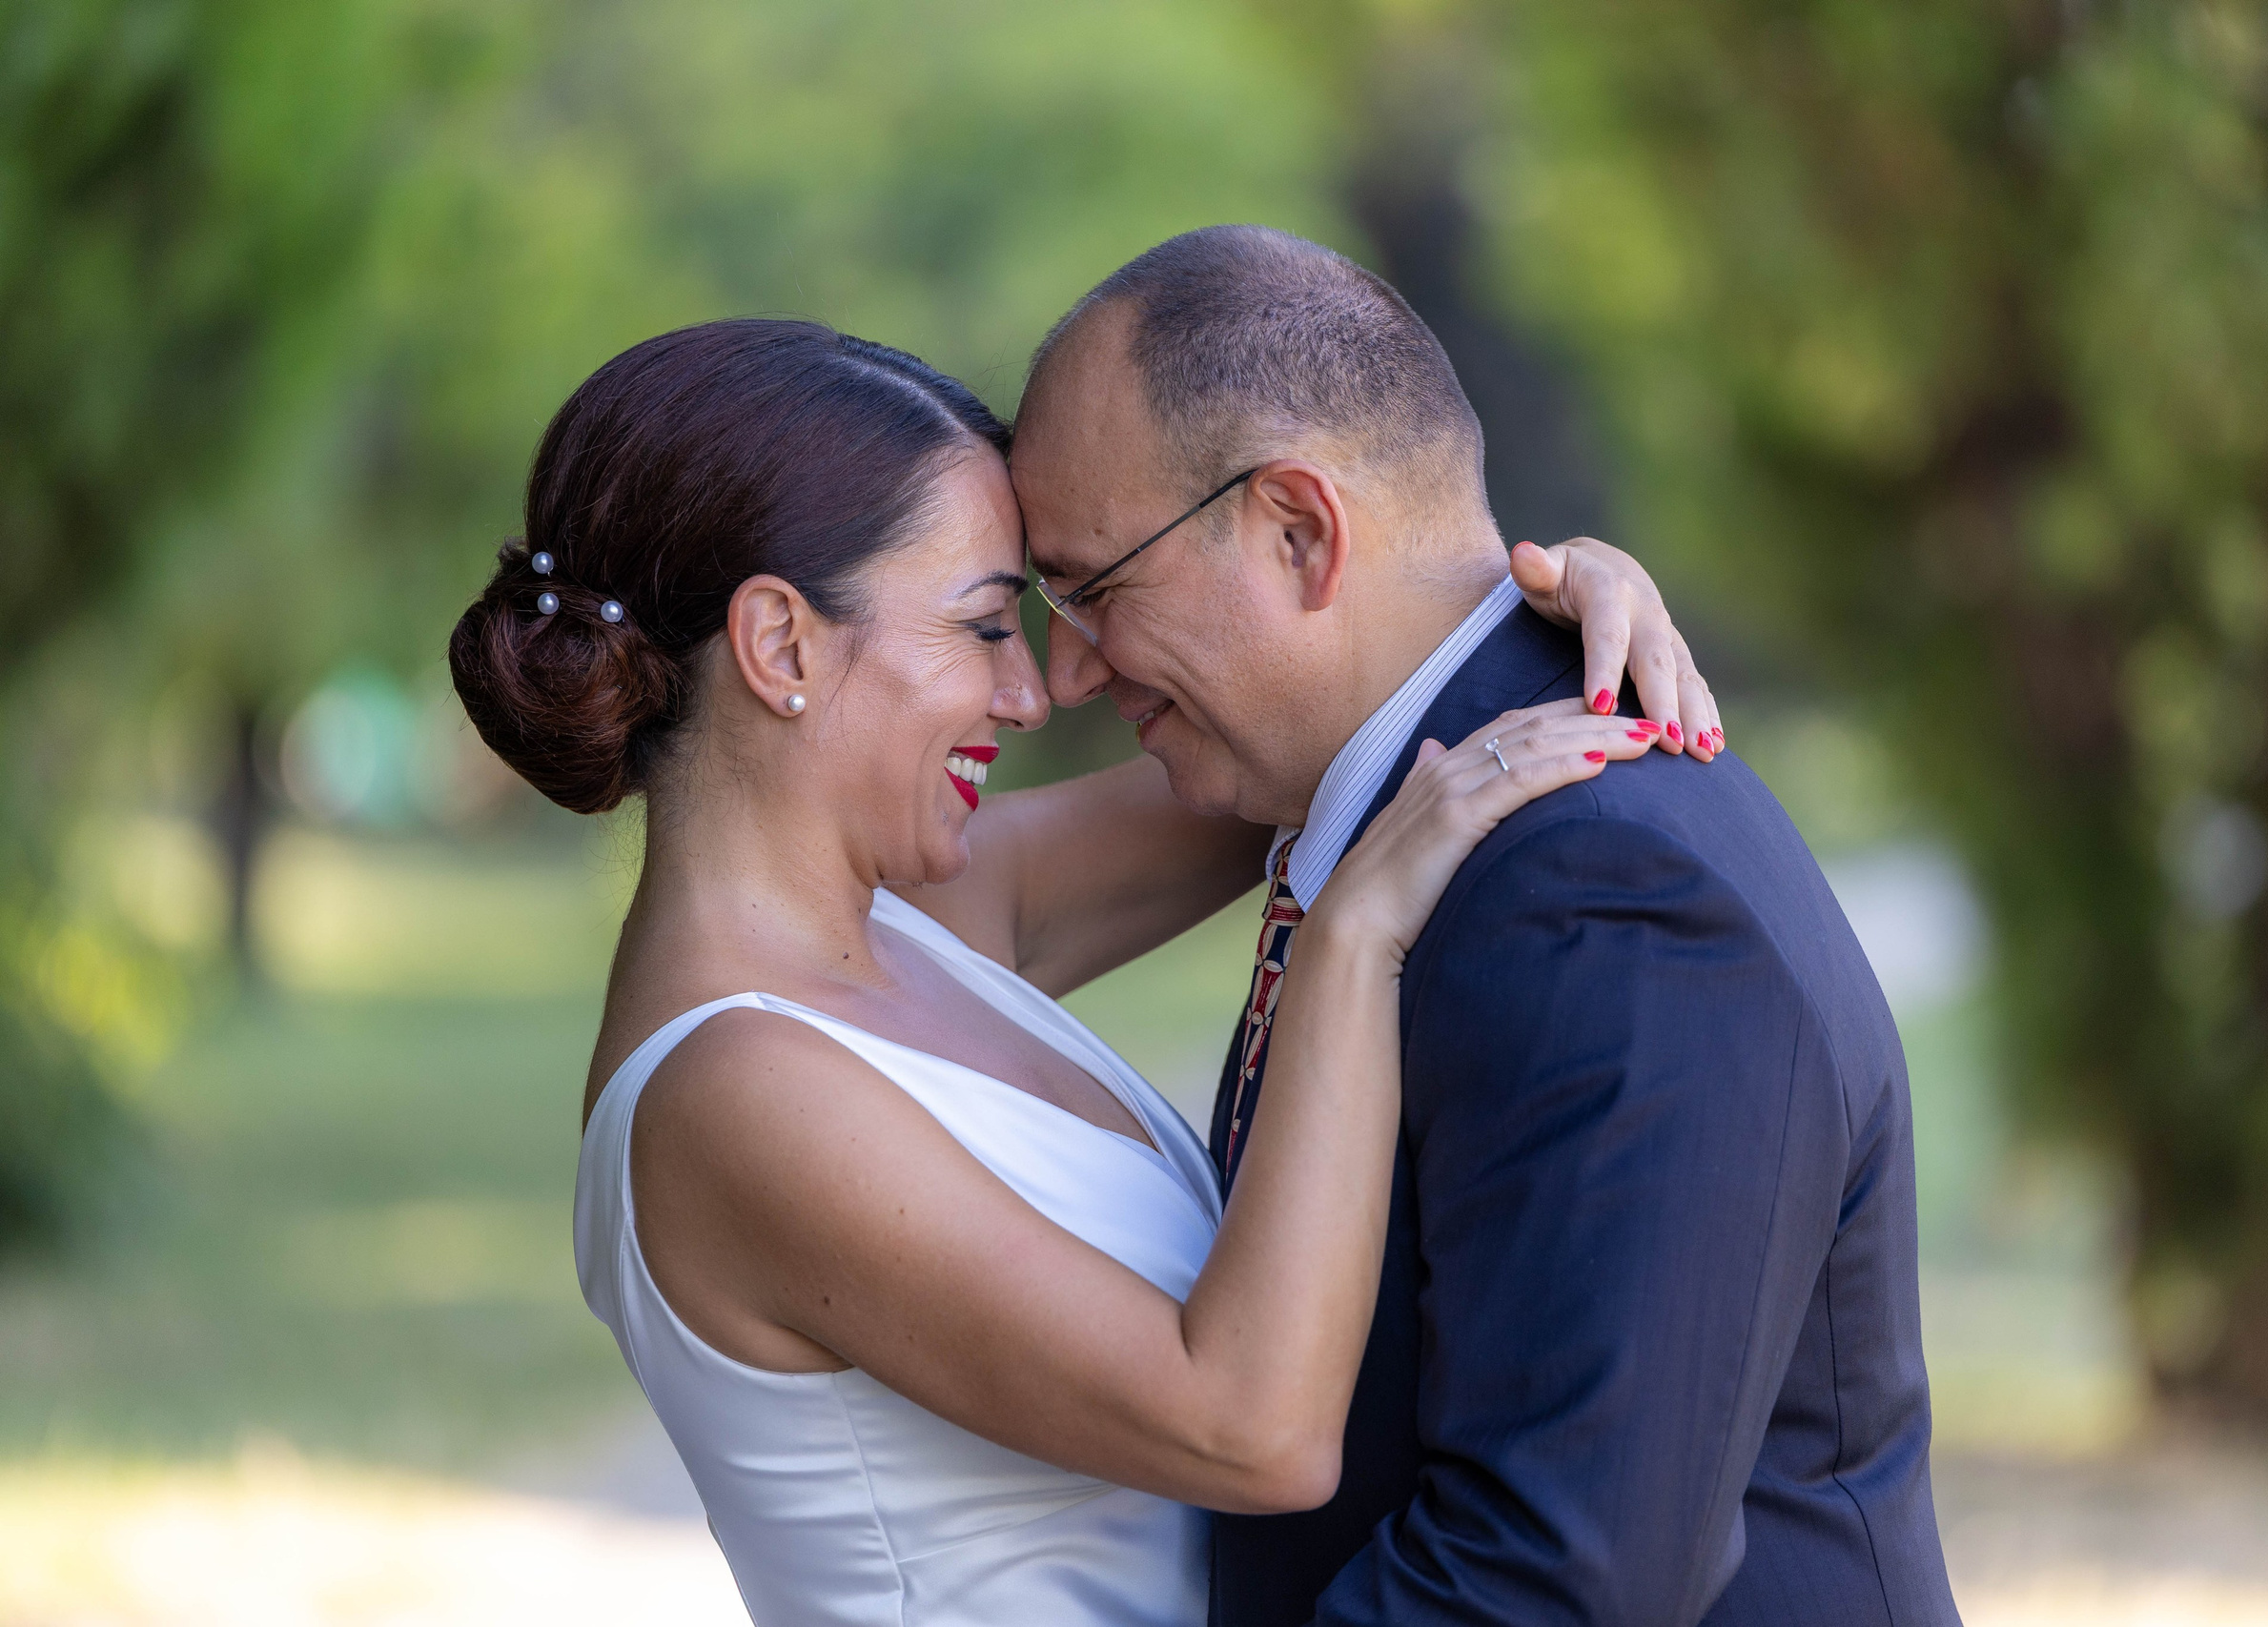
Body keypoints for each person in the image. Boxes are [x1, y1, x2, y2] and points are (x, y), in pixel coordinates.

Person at [445, 316, 1716, 1625]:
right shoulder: (734, 1093)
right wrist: (1348, 943)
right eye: (986, 624)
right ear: (781, 646)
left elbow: (1317, 719)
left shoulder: (928, 916)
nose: (1033, 691)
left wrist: (1535, 599)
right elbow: (1253, 1431)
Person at [1012, 226, 1962, 1626]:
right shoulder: (1411, 814)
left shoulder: (1605, 892)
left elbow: (1550, 1583)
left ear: (1299, 530)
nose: (1065, 670)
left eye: (1092, 589)